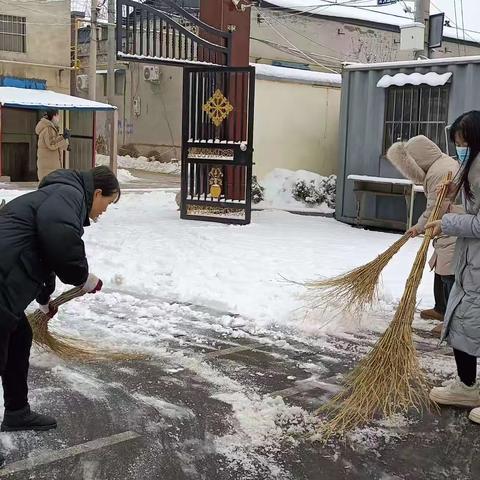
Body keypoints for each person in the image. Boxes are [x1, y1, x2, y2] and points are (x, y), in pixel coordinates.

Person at [0, 166, 120, 468]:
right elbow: (59, 237)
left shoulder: (59, 196)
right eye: (108, 202)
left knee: (19, 335)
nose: (105, 211)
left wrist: (45, 299)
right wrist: (83, 277)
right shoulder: (67, 194)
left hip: (7, 282)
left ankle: (16, 411)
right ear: (96, 193)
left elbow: (46, 252)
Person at [426, 110, 480, 424]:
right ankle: (468, 387)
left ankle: (468, 387)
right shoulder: (470, 166)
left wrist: (447, 222)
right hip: (472, 260)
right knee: (465, 322)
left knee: (466, 320)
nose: (458, 147)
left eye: (462, 142)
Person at [386, 135, 461, 334]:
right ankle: (441, 308)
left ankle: (452, 321)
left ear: (417, 161)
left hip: (451, 227)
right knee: (441, 269)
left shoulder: (441, 171)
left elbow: (436, 208)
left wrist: (419, 226)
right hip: (446, 226)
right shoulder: (440, 165)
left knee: (449, 275)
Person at [35, 109, 70, 181]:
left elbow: (55, 141)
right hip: (49, 167)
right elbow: (52, 144)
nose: (58, 118)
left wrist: (66, 146)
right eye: (58, 116)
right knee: (50, 187)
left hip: (49, 165)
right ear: (54, 116)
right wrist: (63, 137)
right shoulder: (48, 129)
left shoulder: (49, 128)